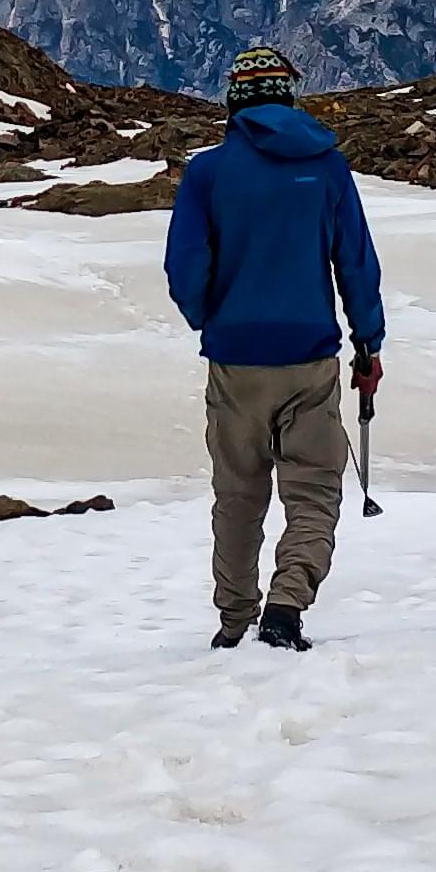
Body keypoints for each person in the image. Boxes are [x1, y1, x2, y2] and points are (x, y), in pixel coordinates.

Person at [161, 42, 384, 651]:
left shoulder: (207, 171)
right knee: (314, 492)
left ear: (234, 101)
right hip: (310, 356)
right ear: (289, 95)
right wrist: (369, 343)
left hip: (235, 362)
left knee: (238, 495)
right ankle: (287, 605)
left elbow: (184, 266)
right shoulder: (327, 166)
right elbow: (357, 264)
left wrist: (212, 318)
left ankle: (234, 623)